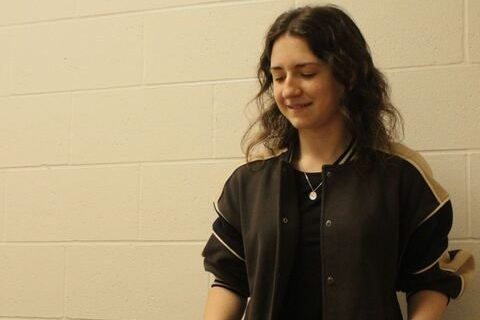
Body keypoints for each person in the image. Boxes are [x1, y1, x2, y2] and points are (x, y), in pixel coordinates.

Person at [201, 4, 475, 320]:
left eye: (307, 73)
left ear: (348, 75)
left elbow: (430, 278)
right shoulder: (249, 180)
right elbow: (228, 279)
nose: (289, 90)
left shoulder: (399, 174)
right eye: (278, 77)